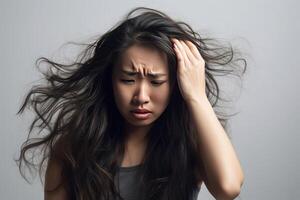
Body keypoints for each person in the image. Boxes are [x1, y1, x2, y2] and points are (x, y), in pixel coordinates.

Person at [15, 6, 246, 200]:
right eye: (128, 79)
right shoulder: (74, 147)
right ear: (110, 79)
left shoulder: (191, 140)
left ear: (176, 83)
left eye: (156, 81)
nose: (141, 96)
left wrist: (197, 96)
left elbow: (228, 188)